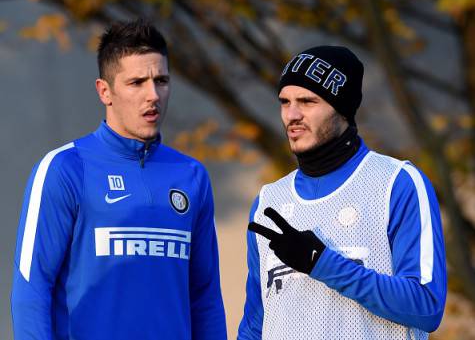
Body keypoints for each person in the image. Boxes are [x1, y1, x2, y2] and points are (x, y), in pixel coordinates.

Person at [11, 19, 227, 340]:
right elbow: (32, 289)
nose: (153, 94)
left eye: (162, 80)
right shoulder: (65, 168)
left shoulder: (192, 175)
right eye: (137, 82)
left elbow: (205, 297)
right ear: (105, 91)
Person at [238, 45, 446, 340]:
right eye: (285, 102)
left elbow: (426, 305)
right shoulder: (268, 201)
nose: (291, 115)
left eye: (307, 101)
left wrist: (322, 263)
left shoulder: (397, 182)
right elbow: (255, 324)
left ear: (342, 108)